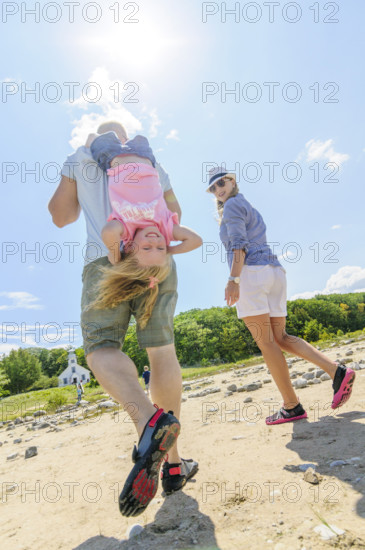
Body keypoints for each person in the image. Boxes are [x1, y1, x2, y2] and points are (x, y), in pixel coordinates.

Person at [48, 121, 199, 517]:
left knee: (101, 348)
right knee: (161, 351)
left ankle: (149, 423)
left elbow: (60, 216)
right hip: (156, 256)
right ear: (126, 139)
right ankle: (174, 467)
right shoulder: (149, 162)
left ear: (96, 139)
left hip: (105, 260)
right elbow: (174, 211)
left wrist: (78, 166)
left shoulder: (82, 157)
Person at [206, 165, 356, 425]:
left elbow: (239, 243)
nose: (219, 190)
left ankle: (291, 405)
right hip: (274, 271)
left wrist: (233, 279)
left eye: (222, 183)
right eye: (214, 188)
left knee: (266, 342)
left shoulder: (231, 206)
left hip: (251, 273)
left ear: (232, 181)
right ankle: (337, 371)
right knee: (281, 338)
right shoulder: (248, 205)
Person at [85, 131, 202, 323]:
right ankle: (124, 141)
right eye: (160, 248)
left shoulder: (127, 230)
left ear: (130, 247)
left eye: (147, 248)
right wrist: (169, 249)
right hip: (145, 157)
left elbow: (108, 231)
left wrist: (115, 254)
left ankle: (99, 140)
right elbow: (196, 241)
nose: (155, 241)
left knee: (94, 137)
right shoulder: (165, 229)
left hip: (112, 157)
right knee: (137, 136)